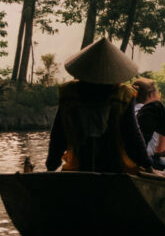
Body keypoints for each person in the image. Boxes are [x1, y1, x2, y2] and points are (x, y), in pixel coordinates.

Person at [45, 37, 154, 173]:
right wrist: (148, 166)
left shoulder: (70, 95)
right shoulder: (122, 96)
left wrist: (51, 166)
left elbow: (58, 136)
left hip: (78, 169)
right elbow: (132, 136)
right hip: (115, 169)